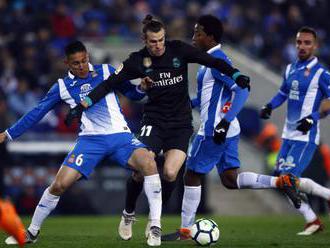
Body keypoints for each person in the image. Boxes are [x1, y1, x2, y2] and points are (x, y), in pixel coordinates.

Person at [65, 14, 251, 241]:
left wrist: (236, 74)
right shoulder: (136, 60)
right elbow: (109, 84)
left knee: (171, 173)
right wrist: (82, 106)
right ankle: (129, 213)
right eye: (153, 41)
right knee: (140, 170)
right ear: (145, 40)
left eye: (161, 40)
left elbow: (211, 61)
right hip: (153, 121)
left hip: (181, 124)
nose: (158, 45)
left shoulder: (179, 50)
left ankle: (155, 220)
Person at [1, 41, 163, 246]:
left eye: (84, 60)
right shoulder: (62, 87)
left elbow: (132, 94)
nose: (82, 66)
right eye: (76, 63)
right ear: (67, 63)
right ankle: (31, 232)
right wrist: (8, 134)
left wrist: (141, 88)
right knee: (59, 185)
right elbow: (37, 113)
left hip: (121, 137)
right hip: (90, 141)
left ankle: (155, 226)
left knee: (149, 162)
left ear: (88, 56)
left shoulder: (106, 71)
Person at [161, 15, 301, 241]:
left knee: (191, 175)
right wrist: (189, 104)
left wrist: (223, 123)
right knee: (230, 179)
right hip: (227, 129)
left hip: (213, 129)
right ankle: (280, 181)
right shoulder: (209, 61)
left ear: (210, 37)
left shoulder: (218, 61)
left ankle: (185, 231)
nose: (194, 37)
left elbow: (242, 90)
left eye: (198, 33)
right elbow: (211, 97)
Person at [260, 27, 330, 235]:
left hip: (305, 136)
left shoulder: (322, 73)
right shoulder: (290, 68)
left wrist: (313, 118)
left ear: (315, 46)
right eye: (299, 42)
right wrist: (269, 106)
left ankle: (320, 206)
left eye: (307, 43)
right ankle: (313, 220)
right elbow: (283, 92)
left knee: (288, 179)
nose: (302, 46)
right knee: (281, 181)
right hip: (287, 135)